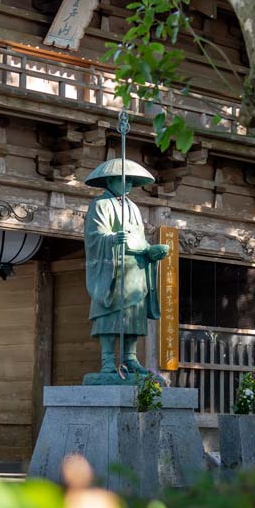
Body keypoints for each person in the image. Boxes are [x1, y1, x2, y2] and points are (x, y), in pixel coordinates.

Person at [83, 158, 170, 383]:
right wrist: (112, 239)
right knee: (110, 314)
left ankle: (130, 357)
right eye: (124, 180)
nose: (129, 185)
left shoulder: (133, 206)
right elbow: (94, 237)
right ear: (110, 180)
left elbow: (139, 239)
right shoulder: (100, 204)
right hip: (113, 268)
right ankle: (108, 360)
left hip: (135, 267)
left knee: (133, 314)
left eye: (131, 181)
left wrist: (152, 251)